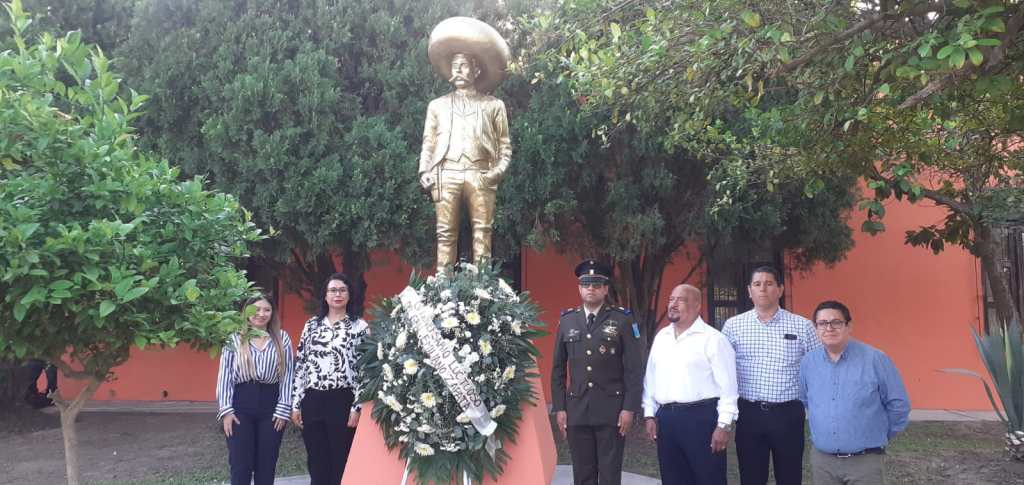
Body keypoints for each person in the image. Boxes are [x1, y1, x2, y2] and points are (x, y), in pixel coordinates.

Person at [418, 17, 512, 272]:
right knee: (445, 233)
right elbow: (429, 142)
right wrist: (424, 171)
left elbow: (505, 148)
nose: (457, 70)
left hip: (480, 173)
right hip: (446, 173)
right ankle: (444, 289)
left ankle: (484, 288)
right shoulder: (437, 106)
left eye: (464, 66)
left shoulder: (493, 106)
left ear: (476, 70)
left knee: (483, 232)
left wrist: (495, 174)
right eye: (454, 65)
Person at [721, 266, 820, 485]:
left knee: (790, 476)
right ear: (749, 291)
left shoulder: (802, 326)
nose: (763, 289)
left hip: (788, 414)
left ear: (780, 289)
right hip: (749, 414)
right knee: (751, 477)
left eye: (769, 283)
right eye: (757, 284)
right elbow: (722, 371)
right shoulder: (733, 326)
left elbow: (818, 369)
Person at [550, 259, 644, 485]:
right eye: (586, 284)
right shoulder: (567, 321)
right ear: (579, 288)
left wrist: (629, 408)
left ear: (605, 289)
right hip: (577, 409)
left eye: (596, 284)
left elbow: (634, 368)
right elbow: (557, 370)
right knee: (582, 473)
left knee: (610, 474)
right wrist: (560, 408)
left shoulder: (622, 319)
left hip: (611, 410)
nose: (591, 288)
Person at [800, 300, 910, 485]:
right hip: (823, 462)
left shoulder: (875, 359)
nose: (829, 328)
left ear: (849, 326)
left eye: (836, 322)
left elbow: (898, 405)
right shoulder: (808, 363)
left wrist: (879, 435)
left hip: (865, 462)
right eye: (823, 323)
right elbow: (806, 400)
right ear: (816, 328)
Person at [643, 284, 738, 485]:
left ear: (697, 305)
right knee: (673, 479)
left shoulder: (713, 339)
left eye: (681, 300)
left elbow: (728, 388)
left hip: (701, 419)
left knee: (709, 478)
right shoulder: (662, 337)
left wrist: (723, 425)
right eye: (671, 299)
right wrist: (649, 413)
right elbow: (651, 378)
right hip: (666, 421)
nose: (673, 304)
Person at [291, 273, 368, 485]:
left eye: (342, 290)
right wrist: (296, 404)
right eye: (333, 290)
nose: (338, 294)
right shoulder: (312, 325)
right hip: (313, 400)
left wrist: (357, 407)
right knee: (317, 460)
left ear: (349, 295)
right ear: (325, 296)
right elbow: (302, 365)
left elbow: (365, 370)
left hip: (342, 400)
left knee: (340, 459)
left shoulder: (359, 327)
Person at [216, 294, 294, 485]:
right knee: (240, 464)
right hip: (240, 406)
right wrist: (226, 411)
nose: (261, 314)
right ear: (246, 312)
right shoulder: (234, 339)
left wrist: (284, 410)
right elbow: (225, 377)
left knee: (266, 465)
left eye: (267, 310)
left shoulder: (282, 339)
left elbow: (288, 376)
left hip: (271, 406)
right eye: (256, 309)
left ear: (272, 313)